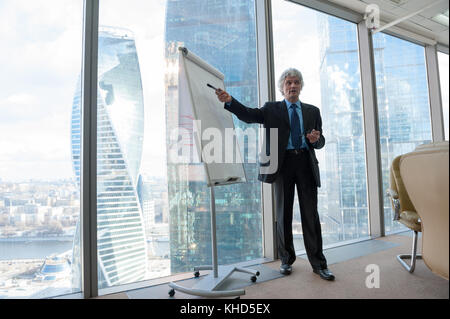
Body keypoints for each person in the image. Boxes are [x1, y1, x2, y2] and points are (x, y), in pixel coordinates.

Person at [215, 68, 335, 281]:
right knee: (283, 214)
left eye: (296, 82)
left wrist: (317, 140)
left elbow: (321, 140)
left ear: (301, 86)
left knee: (311, 215)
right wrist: (230, 101)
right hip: (282, 165)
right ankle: (286, 260)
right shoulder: (272, 109)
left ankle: (319, 264)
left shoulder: (312, 111)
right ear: (282, 87)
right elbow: (250, 115)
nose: (292, 86)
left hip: (306, 164)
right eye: (288, 82)